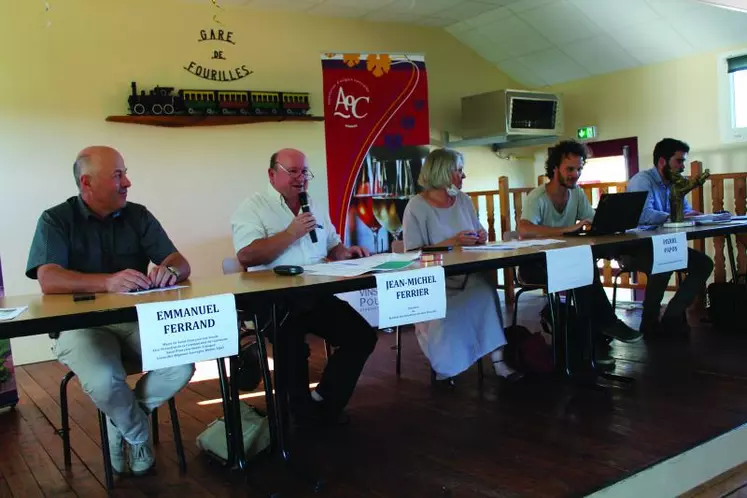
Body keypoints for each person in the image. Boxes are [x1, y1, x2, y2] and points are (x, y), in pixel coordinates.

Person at [25, 146, 195, 476]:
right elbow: (49, 278)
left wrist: (170, 272)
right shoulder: (55, 219)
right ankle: (136, 432)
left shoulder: (138, 215)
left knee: (183, 363)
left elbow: (179, 261)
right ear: (87, 182)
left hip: (135, 321)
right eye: (118, 175)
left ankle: (120, 420)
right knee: (104, 379)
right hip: (80, 327)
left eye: (124, 173)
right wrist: (107, 282)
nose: (127, 182)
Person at [231, 148, 378, 427]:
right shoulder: (252, 207)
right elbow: (247, 256)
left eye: (304, 172)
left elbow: (333, 245)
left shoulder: (314, 204)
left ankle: (324, 402)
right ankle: (296, 417)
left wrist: (346, 253)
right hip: (272, 297)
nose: (301, 178)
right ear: (272, 174)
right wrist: (290, 234)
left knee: (361, 336)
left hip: (313, 292)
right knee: (293, 348)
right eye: (293, 172)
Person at [402, 148, 523, 382]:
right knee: (457, 306)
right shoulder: (416, 206)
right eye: (458, 171)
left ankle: (498, 361)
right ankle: (448, 365)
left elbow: (477, 232)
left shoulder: (464, 200)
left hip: (467, 274)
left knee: (486, 293)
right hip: (436, 282)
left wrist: (480, 235)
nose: (463, 176)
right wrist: (454, 241)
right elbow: (412, 253)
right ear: (441, 173)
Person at [518, 140, 642, 365]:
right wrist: (564, 230)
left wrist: (611, 220)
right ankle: (600, 332)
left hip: (564, 261)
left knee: (583, 270)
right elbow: (524, 229)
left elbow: (594, 219)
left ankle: (591, 343)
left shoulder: (576, 195)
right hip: (535, 264)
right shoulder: (537, 197)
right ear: (555, 168)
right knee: (582, 272)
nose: (575, 174)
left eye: (579, 169)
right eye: (570, 169)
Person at [625, 138, 714, 335]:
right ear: (663, 161)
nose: (683, 167)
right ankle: (649, 323)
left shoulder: (675, 183)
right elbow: (643, 215)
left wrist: (698, 216)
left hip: (665, 244)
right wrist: (675, 216)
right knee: (665, 261)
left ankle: (672, 314)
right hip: (637, 247)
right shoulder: (642, 180)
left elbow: (686, 211)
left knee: (704, 264)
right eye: (679, 161)